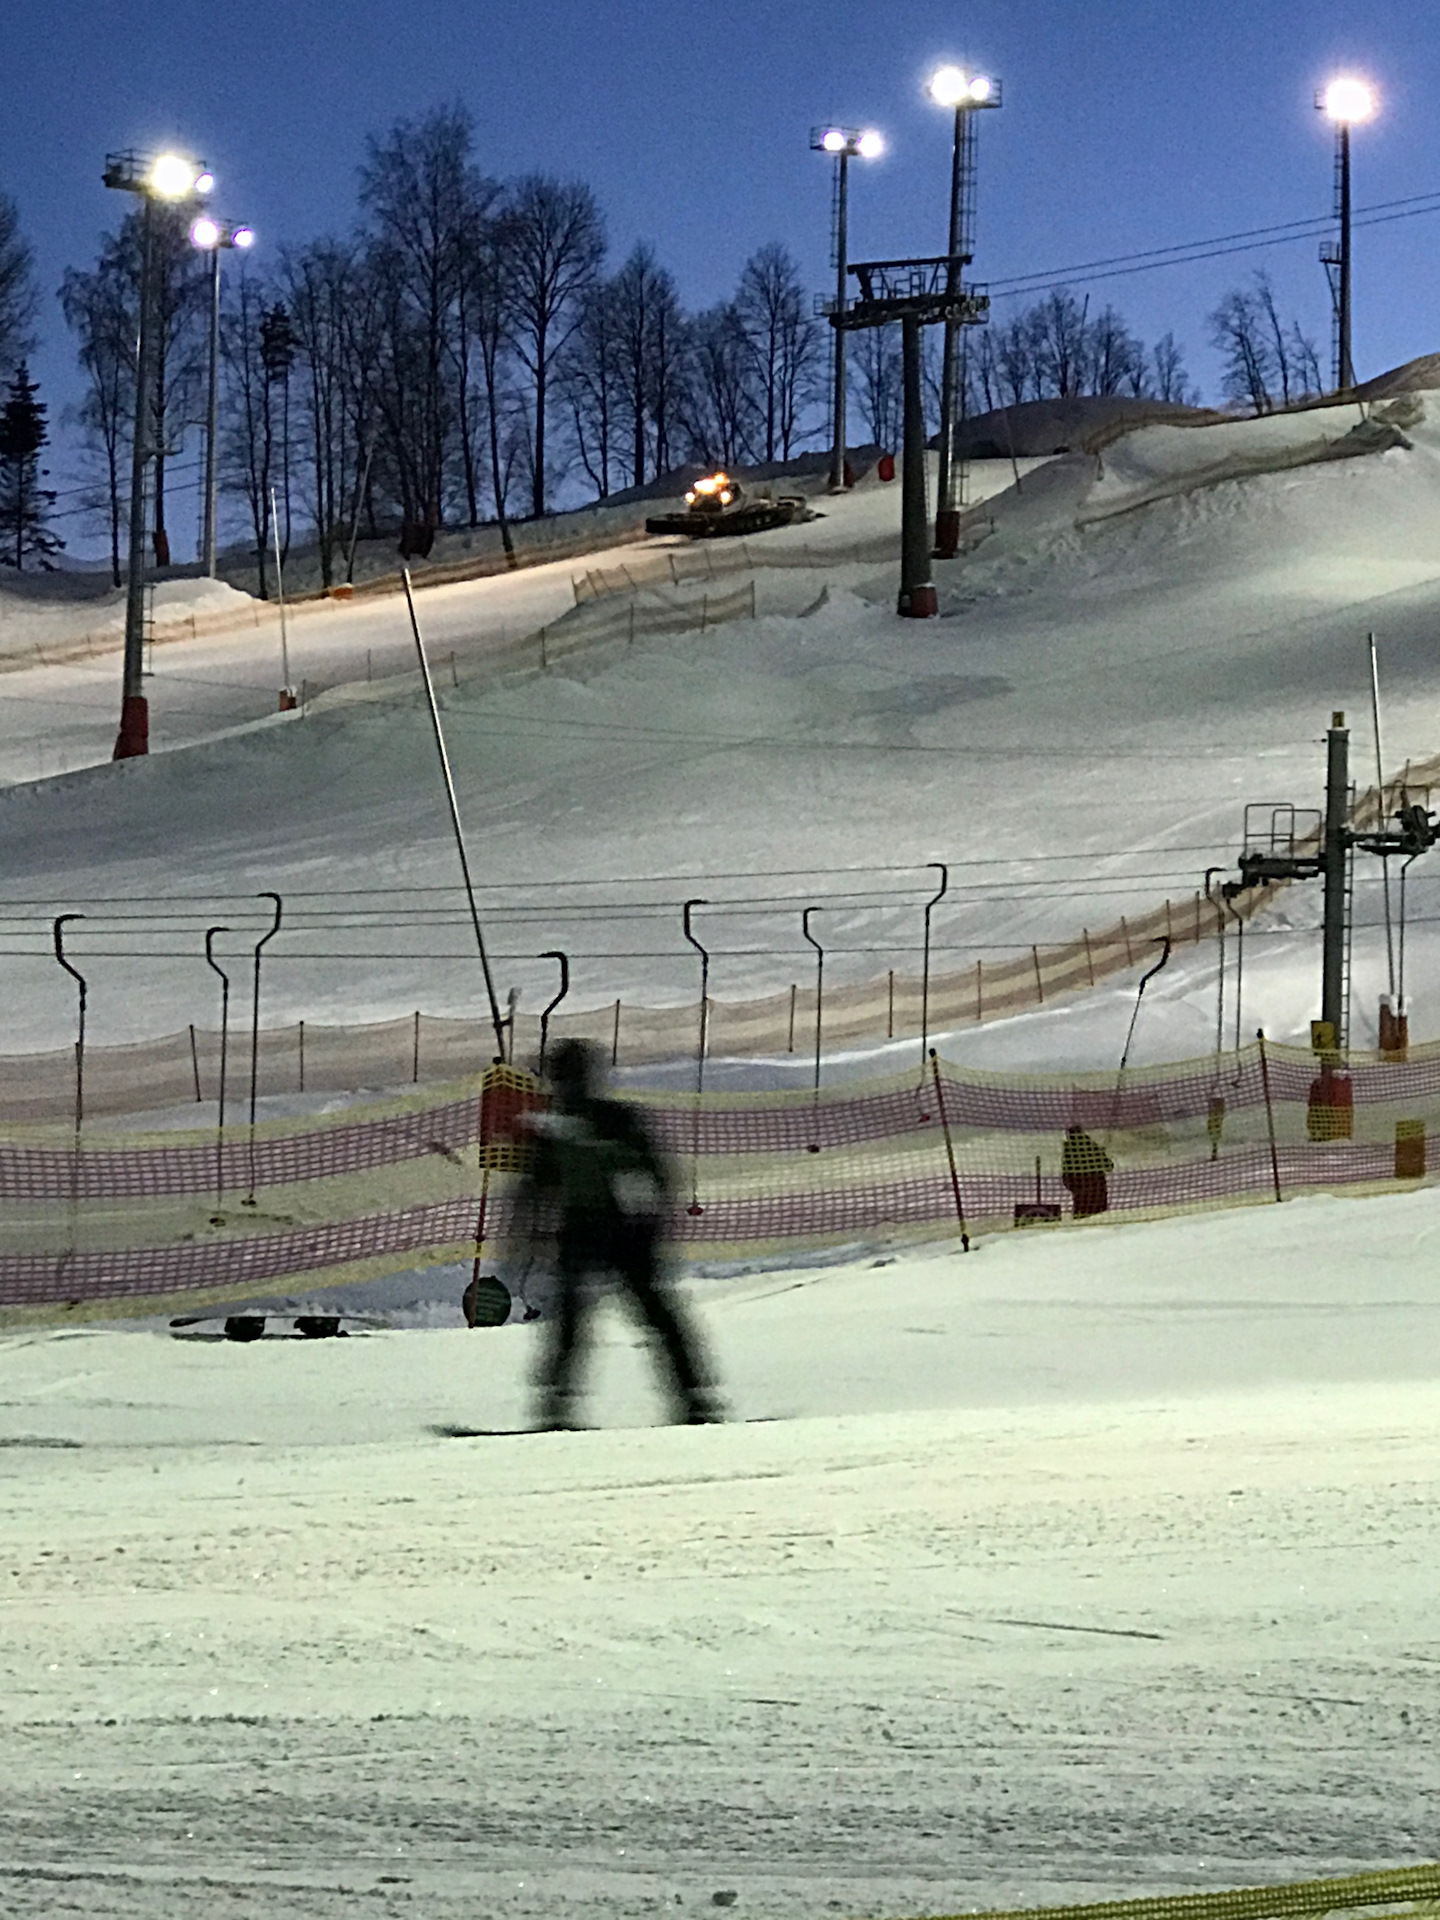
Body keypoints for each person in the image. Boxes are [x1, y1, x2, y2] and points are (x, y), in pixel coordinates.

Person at [513, 1038, 721, 1430]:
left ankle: (695, 1402)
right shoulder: (555, 1126)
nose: (562, 1085)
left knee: (649, 1317)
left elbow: (654, 1174)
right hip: (586, 1229)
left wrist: (653, 1222)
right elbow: (536, 1184)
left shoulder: (610, 1120)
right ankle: (558, 1409)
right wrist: (527, 1233)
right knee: (578, 1321)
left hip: (622, 1230)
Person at [1060, 1123, 1113, 1219]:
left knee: (1082, 1218)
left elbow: (1066, 1172)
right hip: (1097, 1190)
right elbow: (1108, 1165)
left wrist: (1069, 1184)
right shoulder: (1091, 1146)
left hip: (1081, 1193)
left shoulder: (1069, 1151)